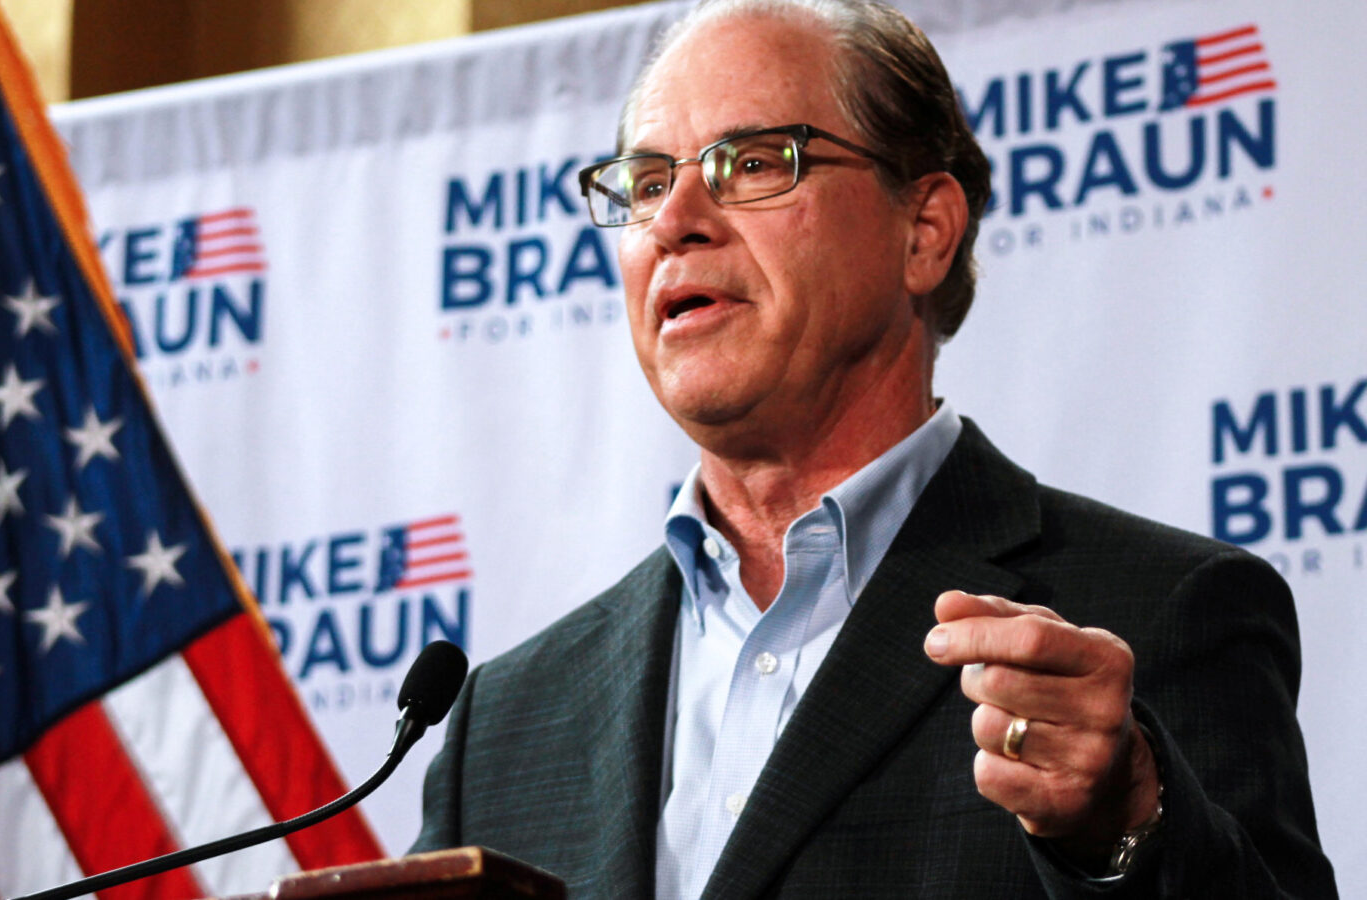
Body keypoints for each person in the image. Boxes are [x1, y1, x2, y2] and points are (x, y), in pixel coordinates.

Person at [409, 1, 1336, 898]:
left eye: (754, 161)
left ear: (924, 231)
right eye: (647, 183)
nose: (674, 218)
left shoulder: (1156, 613)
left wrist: (1128, 825)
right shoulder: (503, 725)